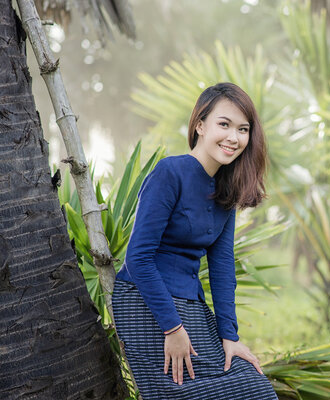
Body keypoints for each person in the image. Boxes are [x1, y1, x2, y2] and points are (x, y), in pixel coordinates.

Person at [112, 82, 278, 399]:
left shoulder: (226, 190)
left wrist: (229, 335)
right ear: (200, 125)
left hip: (191, 308)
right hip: (146, 303)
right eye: (224, 124)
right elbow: (139, 258)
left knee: (255, 387)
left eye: (243, 129)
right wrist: (172, 329)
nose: (234, 137)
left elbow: (223, 269)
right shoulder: (170, 172)